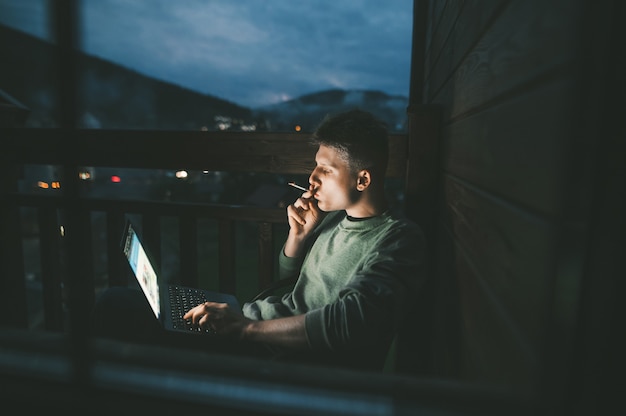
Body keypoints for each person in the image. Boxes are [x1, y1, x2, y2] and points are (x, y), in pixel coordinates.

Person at [93, 109, 427, 371]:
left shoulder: (398, 239)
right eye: (315, 166)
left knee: (117, 304)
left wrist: (242, 329)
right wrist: (298, 237)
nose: (312, 178)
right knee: (152, 306)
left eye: (325, 170)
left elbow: (351, 323)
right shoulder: (337, 219)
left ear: (362, 179)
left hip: (278, 353)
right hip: (256, 323)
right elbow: (289, 284)